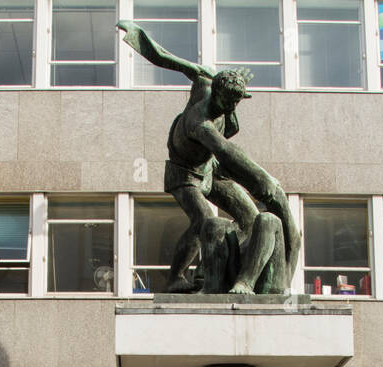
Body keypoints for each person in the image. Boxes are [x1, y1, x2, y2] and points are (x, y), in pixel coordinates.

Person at [116, 19, 300, 294]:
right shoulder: (199, 121)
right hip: (185, 172)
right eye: (229, 102)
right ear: (218, 94)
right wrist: (263, 179)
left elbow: (221, 157)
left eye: (237, 103)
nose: (232, 108)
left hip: (210, 169)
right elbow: (226, 151)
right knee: (203, 218)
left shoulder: (216, 80)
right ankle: (176, 276)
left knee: (250, 218)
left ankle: (232, 271)